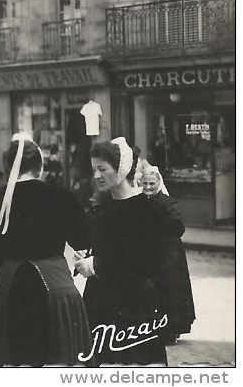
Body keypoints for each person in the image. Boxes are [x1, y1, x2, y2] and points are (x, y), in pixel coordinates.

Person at [0, 133, 92, 366]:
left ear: (9, 166)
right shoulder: (61, 196)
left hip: (10, 290)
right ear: (40, 166)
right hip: (57, 292)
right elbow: (83, 239)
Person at [73, 138, 179, 366]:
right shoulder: (100, 210)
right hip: (100, 300)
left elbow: (150, 261)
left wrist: (97, 264)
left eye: (103, 169)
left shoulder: (147, 208)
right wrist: (85, 256)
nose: (97, 176)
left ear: (120, 168)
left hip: (135, 304)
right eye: (94, 170)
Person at [136, 162, 195, 345]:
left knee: (169, 288)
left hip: (167, 253)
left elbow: (177, 227)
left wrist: (158, 230)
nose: (148, 187)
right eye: (145, 183)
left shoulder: (168, 203)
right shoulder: (138, 204)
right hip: (147, 252)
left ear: (159, 184)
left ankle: (170, 329)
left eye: (152, 184)